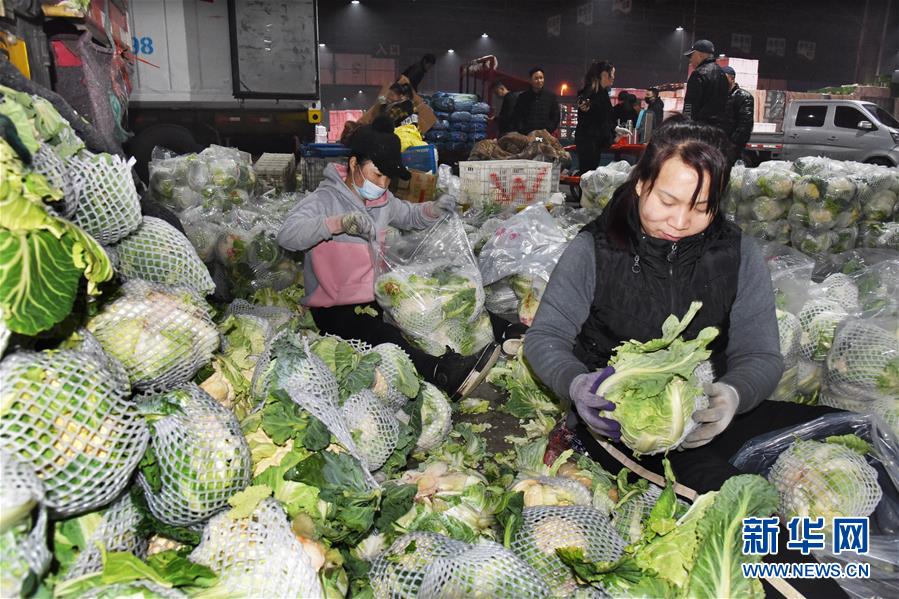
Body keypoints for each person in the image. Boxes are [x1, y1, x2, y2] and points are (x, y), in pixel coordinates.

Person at [523, 117, 839, 495]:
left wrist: (733, 395)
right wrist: (576, 384)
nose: (679, 221)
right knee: (734, 500)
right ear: (642, 183)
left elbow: (760, 353)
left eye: (700, 207)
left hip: (709, 414)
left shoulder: (738, 253)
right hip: (625, 429)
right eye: (666, 201)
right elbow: (545, 337)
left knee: (846, 431)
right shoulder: (595, 249)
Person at [277, 117, 499, 398]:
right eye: (376, 175)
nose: (382, 184)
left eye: (387, 178)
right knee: (386, 338)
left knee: (440, 300)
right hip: (334, 310)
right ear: (354, 164)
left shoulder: (382, 200)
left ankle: (505, 333)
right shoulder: (323, 201)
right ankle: (441, 372)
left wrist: (434, 209)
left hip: (375, 298)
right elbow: (287, 235)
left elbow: (409, 215)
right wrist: (337, 223)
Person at [574, 60, 620, 173]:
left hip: (594, 143)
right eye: (612, 74)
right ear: (604, 74)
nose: (614, 77)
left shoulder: (601, 92)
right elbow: (585, 104)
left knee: (589, 175)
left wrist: (614, 129)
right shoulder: (591, 91)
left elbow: (605, 118)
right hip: (589, 143)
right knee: (587, 176)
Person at [683, 39, 729, 129]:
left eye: (692, 56)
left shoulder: (698, 74)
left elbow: (690, 104)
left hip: (699, 129)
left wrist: (685, 125)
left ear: (699, 55)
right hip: (718, 129)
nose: (690, 60)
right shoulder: (722, 73)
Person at [511, 67, 561, 135]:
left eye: (541, 78)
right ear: (530, 80)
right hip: (527, 136)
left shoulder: (550, 97)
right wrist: (522, 130)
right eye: (536, 78)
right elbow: (517, 116)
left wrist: (548, 130)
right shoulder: (523, 97)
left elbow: (556, 116)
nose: (539, 81)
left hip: (545, 136)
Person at [721, 65, 755, 162]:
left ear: (732, 78)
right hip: (719, 144)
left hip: (733, 148)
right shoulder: (718, 96)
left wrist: (733, 144)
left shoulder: (744, 96)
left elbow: (745, 124)